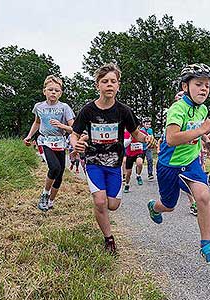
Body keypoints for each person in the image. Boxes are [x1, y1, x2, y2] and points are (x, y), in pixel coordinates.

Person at [70, 63, 155, 254]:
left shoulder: (123, 111)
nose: (109, 85)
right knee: (100, 202)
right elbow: (74, 134)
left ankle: (101, 212)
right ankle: (109, 239)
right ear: (97, 85)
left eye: (113, 81)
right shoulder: (88, 110)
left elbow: (136, 134)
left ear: (118, 85)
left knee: (113, 205)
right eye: (104, 81)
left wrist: (147, 138)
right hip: (93, 162)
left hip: (115, 164)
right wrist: (75, 143)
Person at [147, 63, 210, 265]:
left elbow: (198, 129)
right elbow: (171, 138)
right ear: (184, 86)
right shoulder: (177, 109)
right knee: (168, 206)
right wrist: (202, 130)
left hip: (190, 162)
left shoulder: (202, 109)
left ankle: (206, 245)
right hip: (169, 165)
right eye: (199, 84)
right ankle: (154, 207)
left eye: (207, 85)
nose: (204, 89)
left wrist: (207, 143)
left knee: (203, 196)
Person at [23, 75, 75, 212]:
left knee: (59, 174)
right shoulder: (39, 106)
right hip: (45, 141)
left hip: (60, 142)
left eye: (57, 90)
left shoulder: (65, 107)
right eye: (50, 89)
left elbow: (73, 129)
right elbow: (37, 122)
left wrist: (61, 125)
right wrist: (29, 136)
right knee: (54, 167)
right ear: (44, 91)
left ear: (61, 93)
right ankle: (44, 195)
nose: (53, 92)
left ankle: (51, 202)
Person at [123, 128, 147, 193]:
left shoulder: (142, 132)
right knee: (128, 173)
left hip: (139, 153)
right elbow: (124, 145)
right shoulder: (127, 133)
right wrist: (130, 139)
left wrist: (149, 140)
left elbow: (146, 139)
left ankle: (138, 175)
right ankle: (127, 184)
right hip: (130, 155)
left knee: (140, 163)